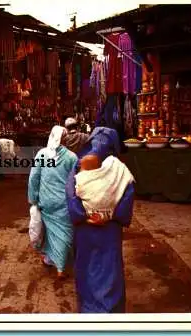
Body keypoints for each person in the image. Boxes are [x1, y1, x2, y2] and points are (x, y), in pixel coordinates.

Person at [66, 127, 135, 313]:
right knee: (110, 271)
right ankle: (111, 313)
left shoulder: (79, 165)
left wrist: (84, 216)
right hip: (109, 230)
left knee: (86, 269)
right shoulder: (120, 168)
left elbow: (71, 194)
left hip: (85, 230)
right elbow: (127, 195)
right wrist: (110, 216)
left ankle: (89, 312)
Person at [28, 125, 78, 279]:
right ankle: (60, 267)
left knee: (50, 232)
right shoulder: (72, 157)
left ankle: (55, 262)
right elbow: (76, 181)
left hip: (46, 202)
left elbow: (33, 178)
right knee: (63, 233)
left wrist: (33, 198)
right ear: (65, 139)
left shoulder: (42, 155)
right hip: (64, 202)